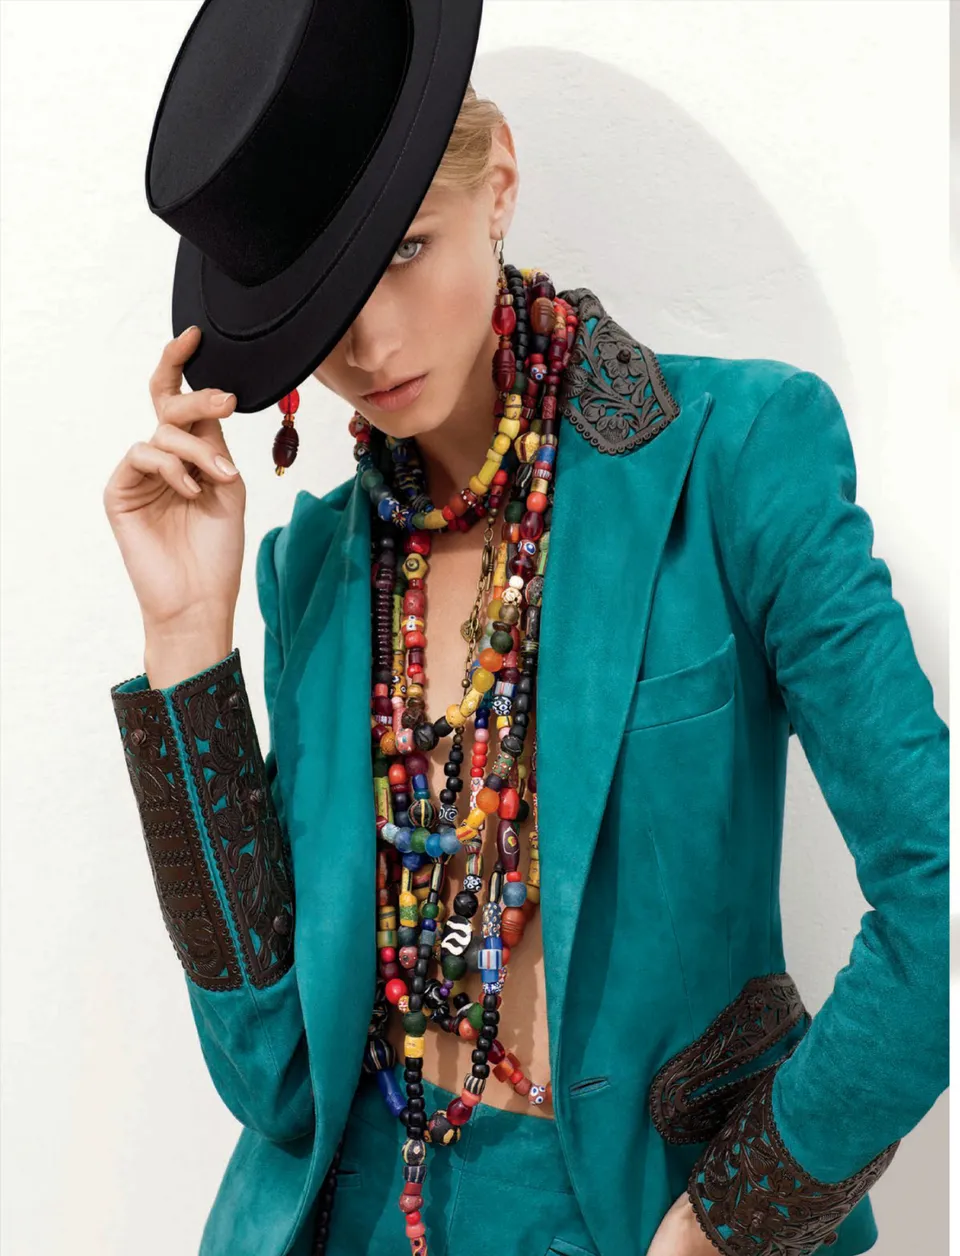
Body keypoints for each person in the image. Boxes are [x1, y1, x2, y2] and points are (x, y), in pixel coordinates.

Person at [103, 81, 948, 1256]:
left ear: (498, 181)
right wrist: (186, 636)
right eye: (328, 293)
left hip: (639, 1219)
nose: (371, 340)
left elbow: (939, 895)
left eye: (405, 250)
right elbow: (275, 1080)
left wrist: (730, 1219)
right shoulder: (317, 572)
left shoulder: (739, 455)